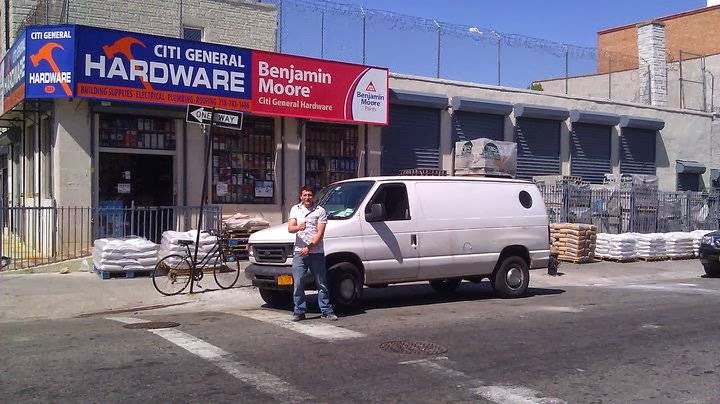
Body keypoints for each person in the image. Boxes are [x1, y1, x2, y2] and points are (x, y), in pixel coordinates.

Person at [287, 185, 337, 321]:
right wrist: (299, 226)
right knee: (298, 283)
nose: (307, 197)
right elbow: (290, 228)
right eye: (305, 195)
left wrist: (308, 248)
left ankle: (327, 311)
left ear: (313, 196)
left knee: (321, 283)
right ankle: (299, 311)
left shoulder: (320, 211)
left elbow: (320, 234)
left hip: (316, 252)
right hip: (299, 252)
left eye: (309, 195)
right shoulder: (295, 209)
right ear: (301, 196)